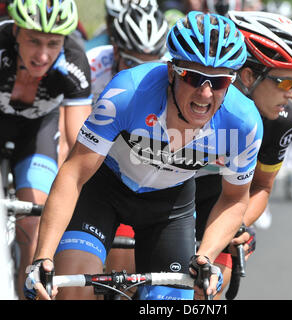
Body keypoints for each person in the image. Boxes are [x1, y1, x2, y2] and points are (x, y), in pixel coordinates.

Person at [24, 11, 263, 300]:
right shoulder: (129, 92)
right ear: (172, 70)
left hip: (170, 207)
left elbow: (235, 198)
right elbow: (74, 172)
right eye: (193, 77)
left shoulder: (243, 123)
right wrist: (43, 256)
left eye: (220, 82)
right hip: (104, 191)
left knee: (170, 302)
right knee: (72, 290)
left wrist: (205, 256)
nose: (204, 93)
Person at [195, 10, 292, 297]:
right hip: (161, 197)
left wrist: (239, 224)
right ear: (248, 75)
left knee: (205, 293)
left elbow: (261, 186)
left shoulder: (283, 119)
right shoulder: (200, 101)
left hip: (217, 206)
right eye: (284, 82)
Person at [0, 0, 92, 299]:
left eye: (53, 43)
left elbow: (79, 142)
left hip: (36, 132)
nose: (42, 55)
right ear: (15, 31)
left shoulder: (75, 60)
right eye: (33, 40)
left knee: (34, 219)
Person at [87, 1, 169, 284]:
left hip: (142, 167)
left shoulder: (175, 76)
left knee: (130, 271)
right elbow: (70, 136)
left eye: (152, 64)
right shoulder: (93, 64)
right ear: (115, 53)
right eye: (132, 64)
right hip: (99, 161)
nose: (142, 75)